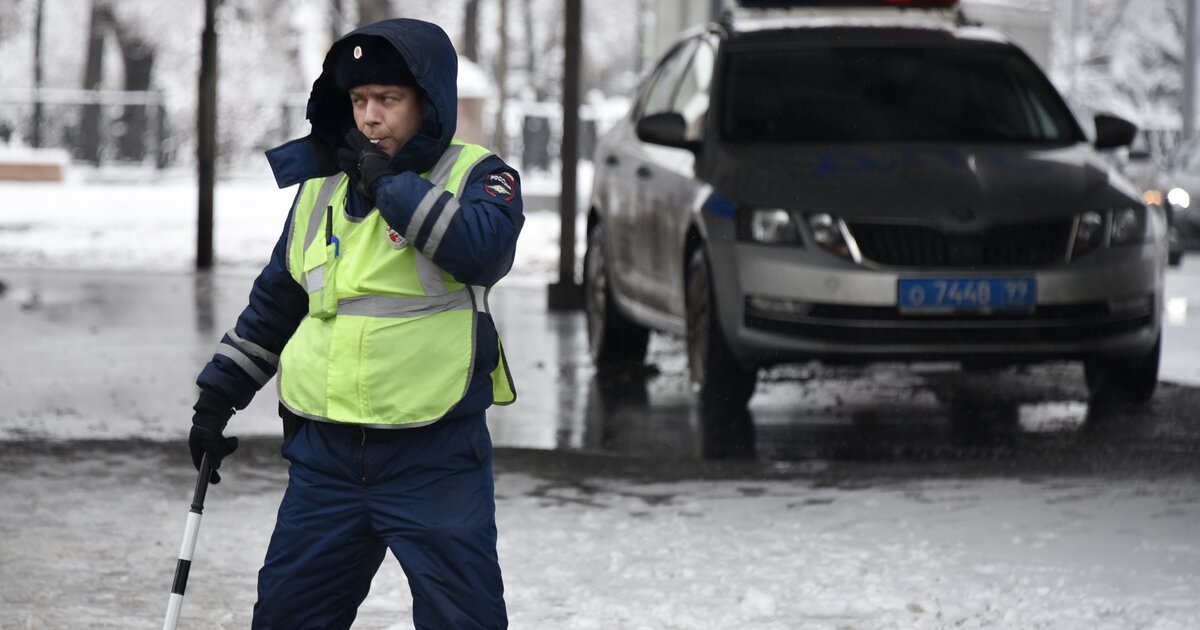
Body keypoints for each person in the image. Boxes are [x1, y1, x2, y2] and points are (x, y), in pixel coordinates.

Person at [187, 18, 521, 629]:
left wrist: (389, 185)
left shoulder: (478, 176)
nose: (370, 118)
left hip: (434, 455)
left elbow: (482, 250)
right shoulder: (319, 193)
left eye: (389, 100)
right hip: (325, 461)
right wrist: (216, 399)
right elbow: (276, 304)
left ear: (429, 103)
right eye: (361, 101)